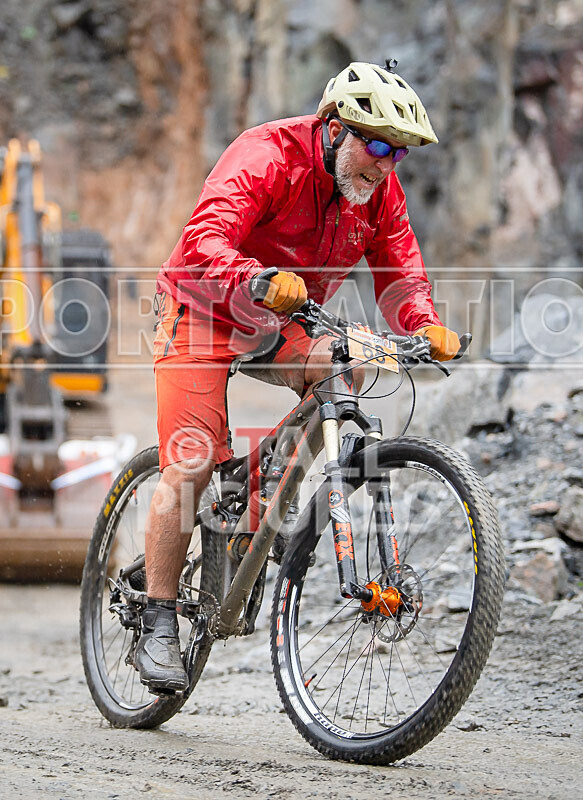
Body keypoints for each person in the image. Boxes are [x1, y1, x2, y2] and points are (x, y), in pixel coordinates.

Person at [134, 60, 461, 693]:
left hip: (284, 316)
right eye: (377, 145)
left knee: (355, 365)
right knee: (194, 458)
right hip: (204, 304)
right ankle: (160, 616)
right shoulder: (267, 155)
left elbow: (402, 274)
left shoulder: (379, 191)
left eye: (399, 153)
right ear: (335, 128)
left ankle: (259, 495)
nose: (386, 164)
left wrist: (424, 324)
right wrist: (255, 278)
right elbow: (206, 239)